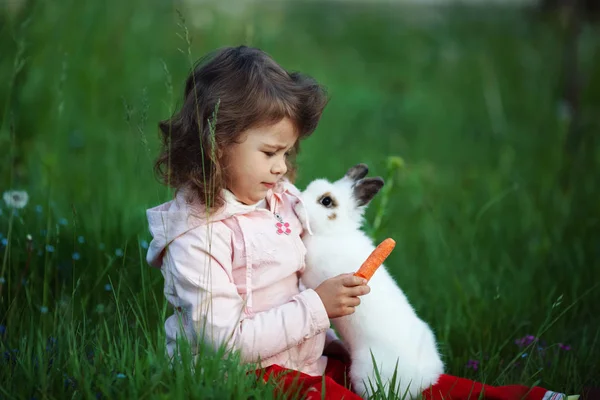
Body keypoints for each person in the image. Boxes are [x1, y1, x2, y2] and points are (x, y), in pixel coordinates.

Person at [145, 45, 578, 400]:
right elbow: (226, 343)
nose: (281, 168)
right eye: (269, 153)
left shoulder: (276, 199)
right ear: (216, 144)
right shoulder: (196, 239)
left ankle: (531, 397)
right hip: (241, 379)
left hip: (303, 358)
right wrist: (317, 307)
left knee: (410, 382)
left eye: (287, 154)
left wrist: (334, 331)